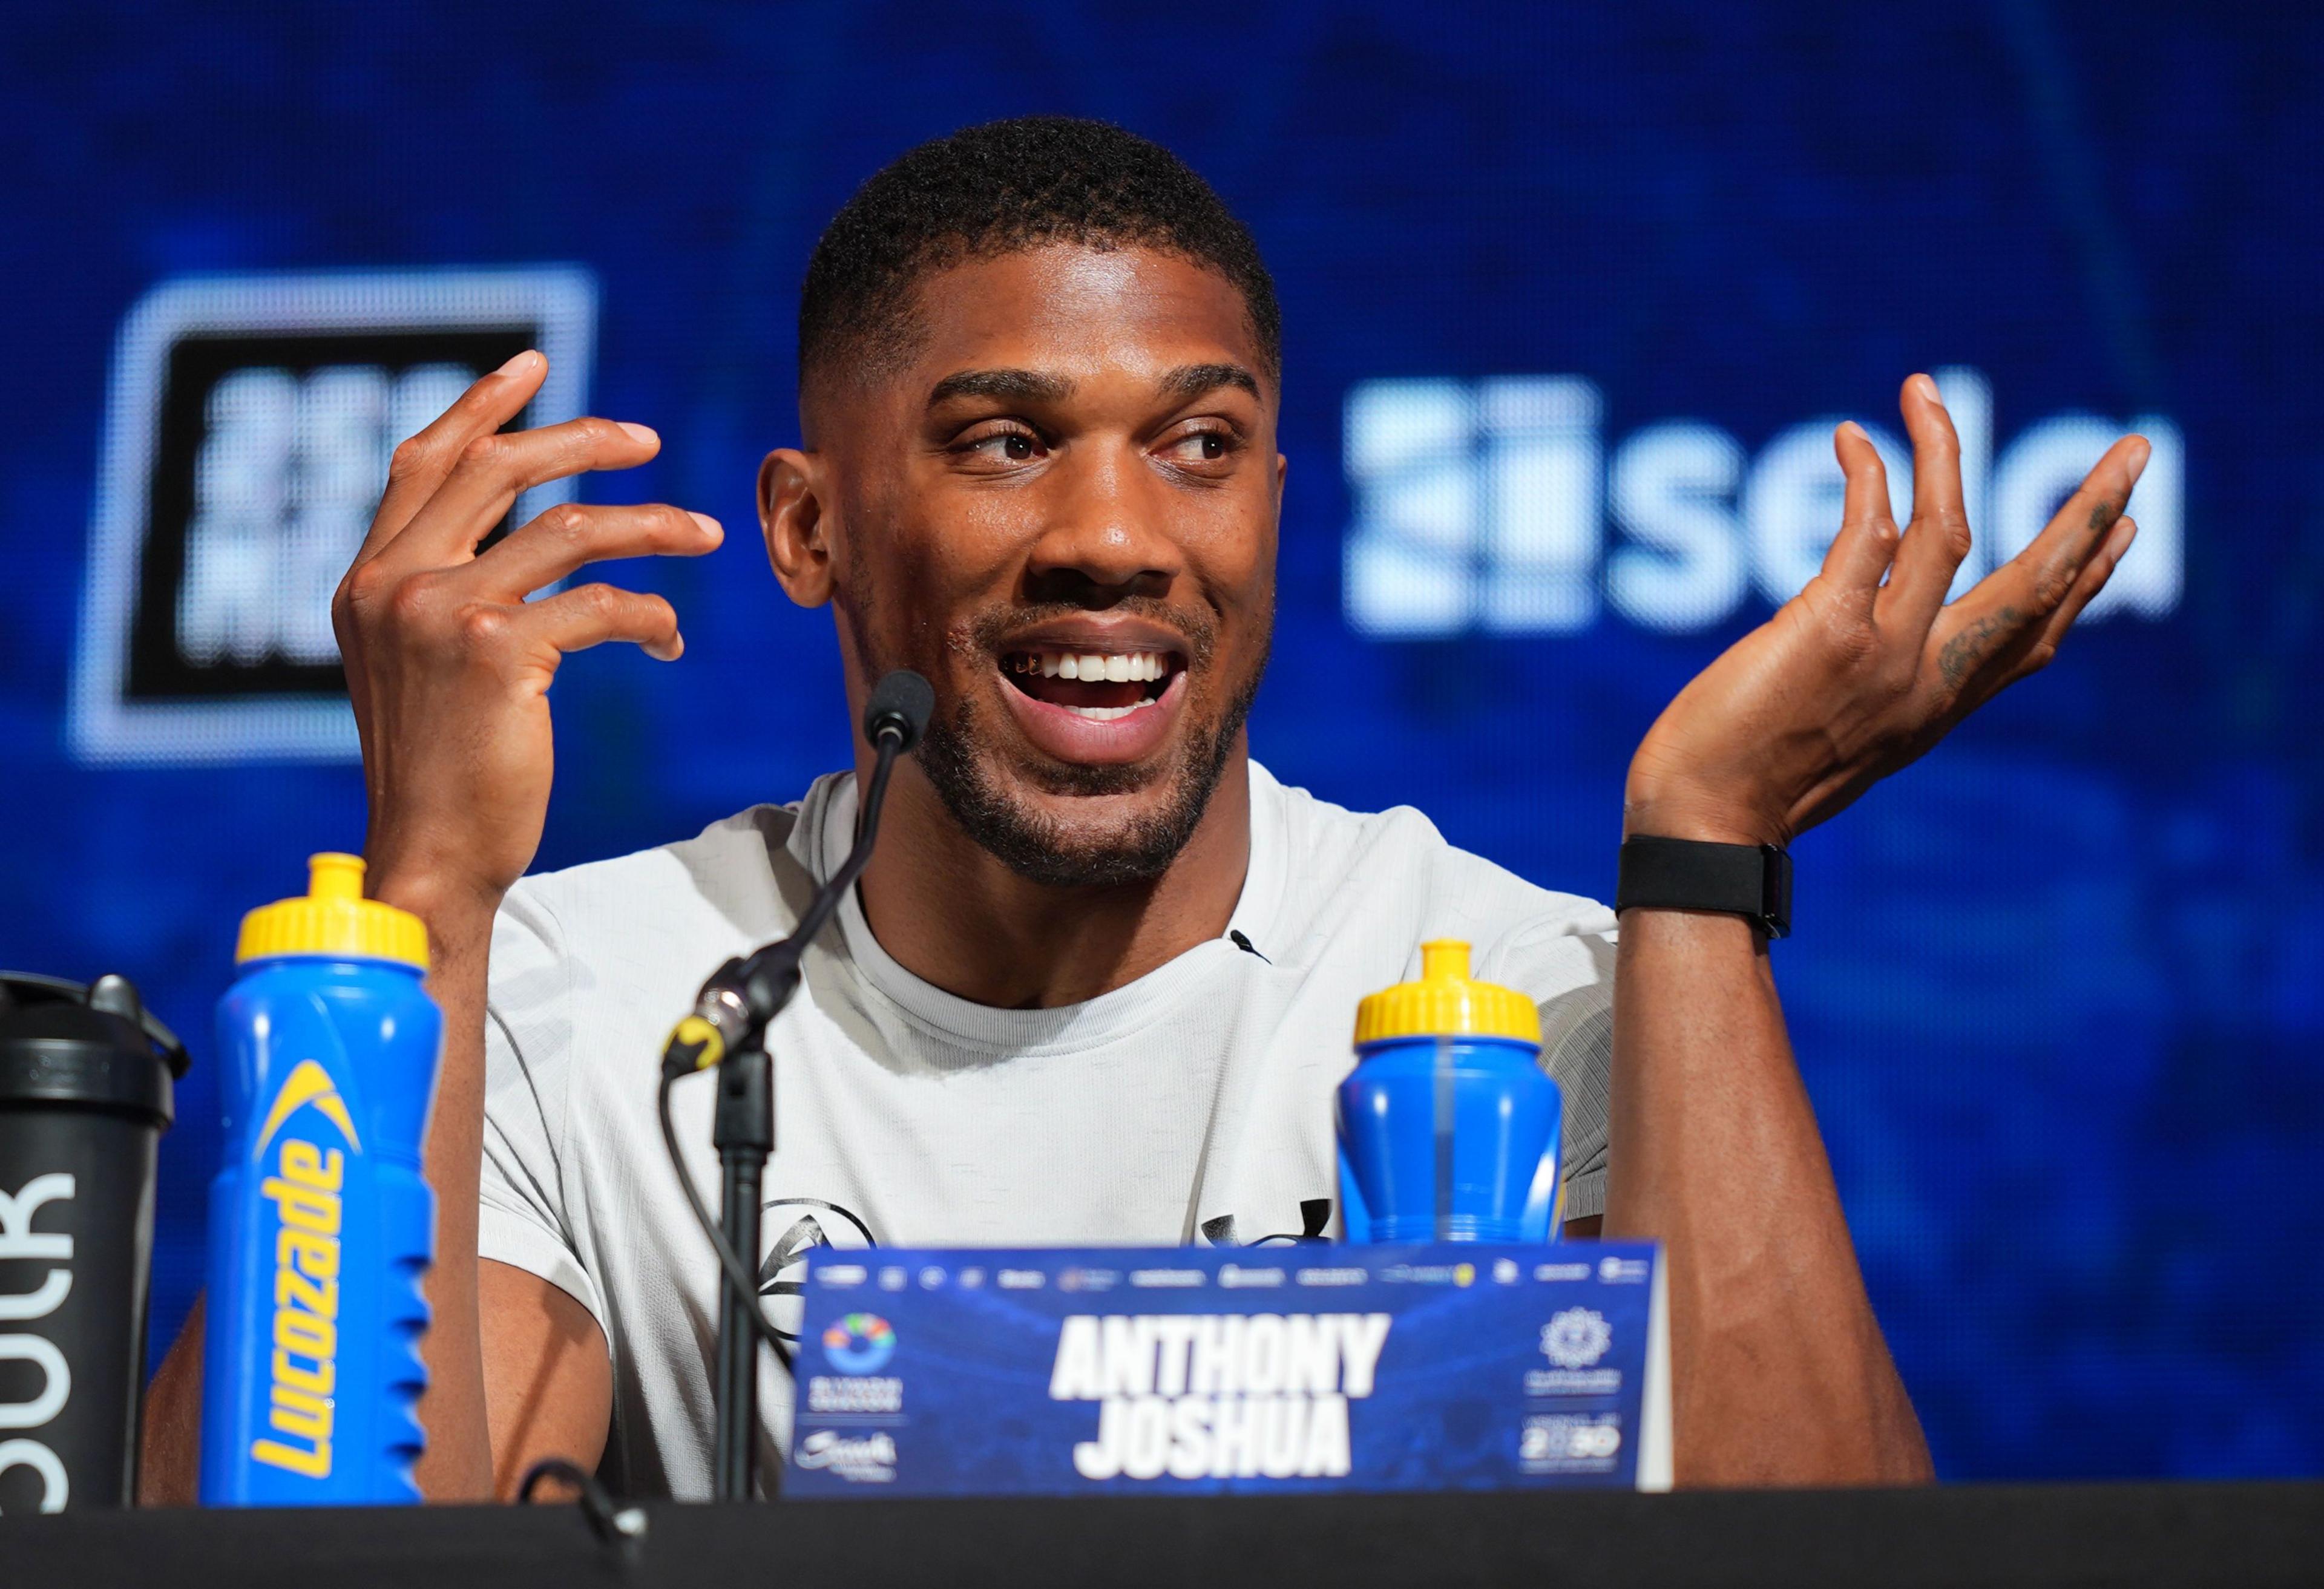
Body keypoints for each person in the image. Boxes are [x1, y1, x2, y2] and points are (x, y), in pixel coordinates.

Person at [142, 116, 2148, 1501]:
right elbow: (313, 1550)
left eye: (1199, 446)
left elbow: (1817, 1560)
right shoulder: (580, 991)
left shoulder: (1535, 994)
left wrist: (1702, 859)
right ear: (810, 526)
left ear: (1277, 503)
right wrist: (428, 888)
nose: (1114, 537)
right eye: (1006, 441)